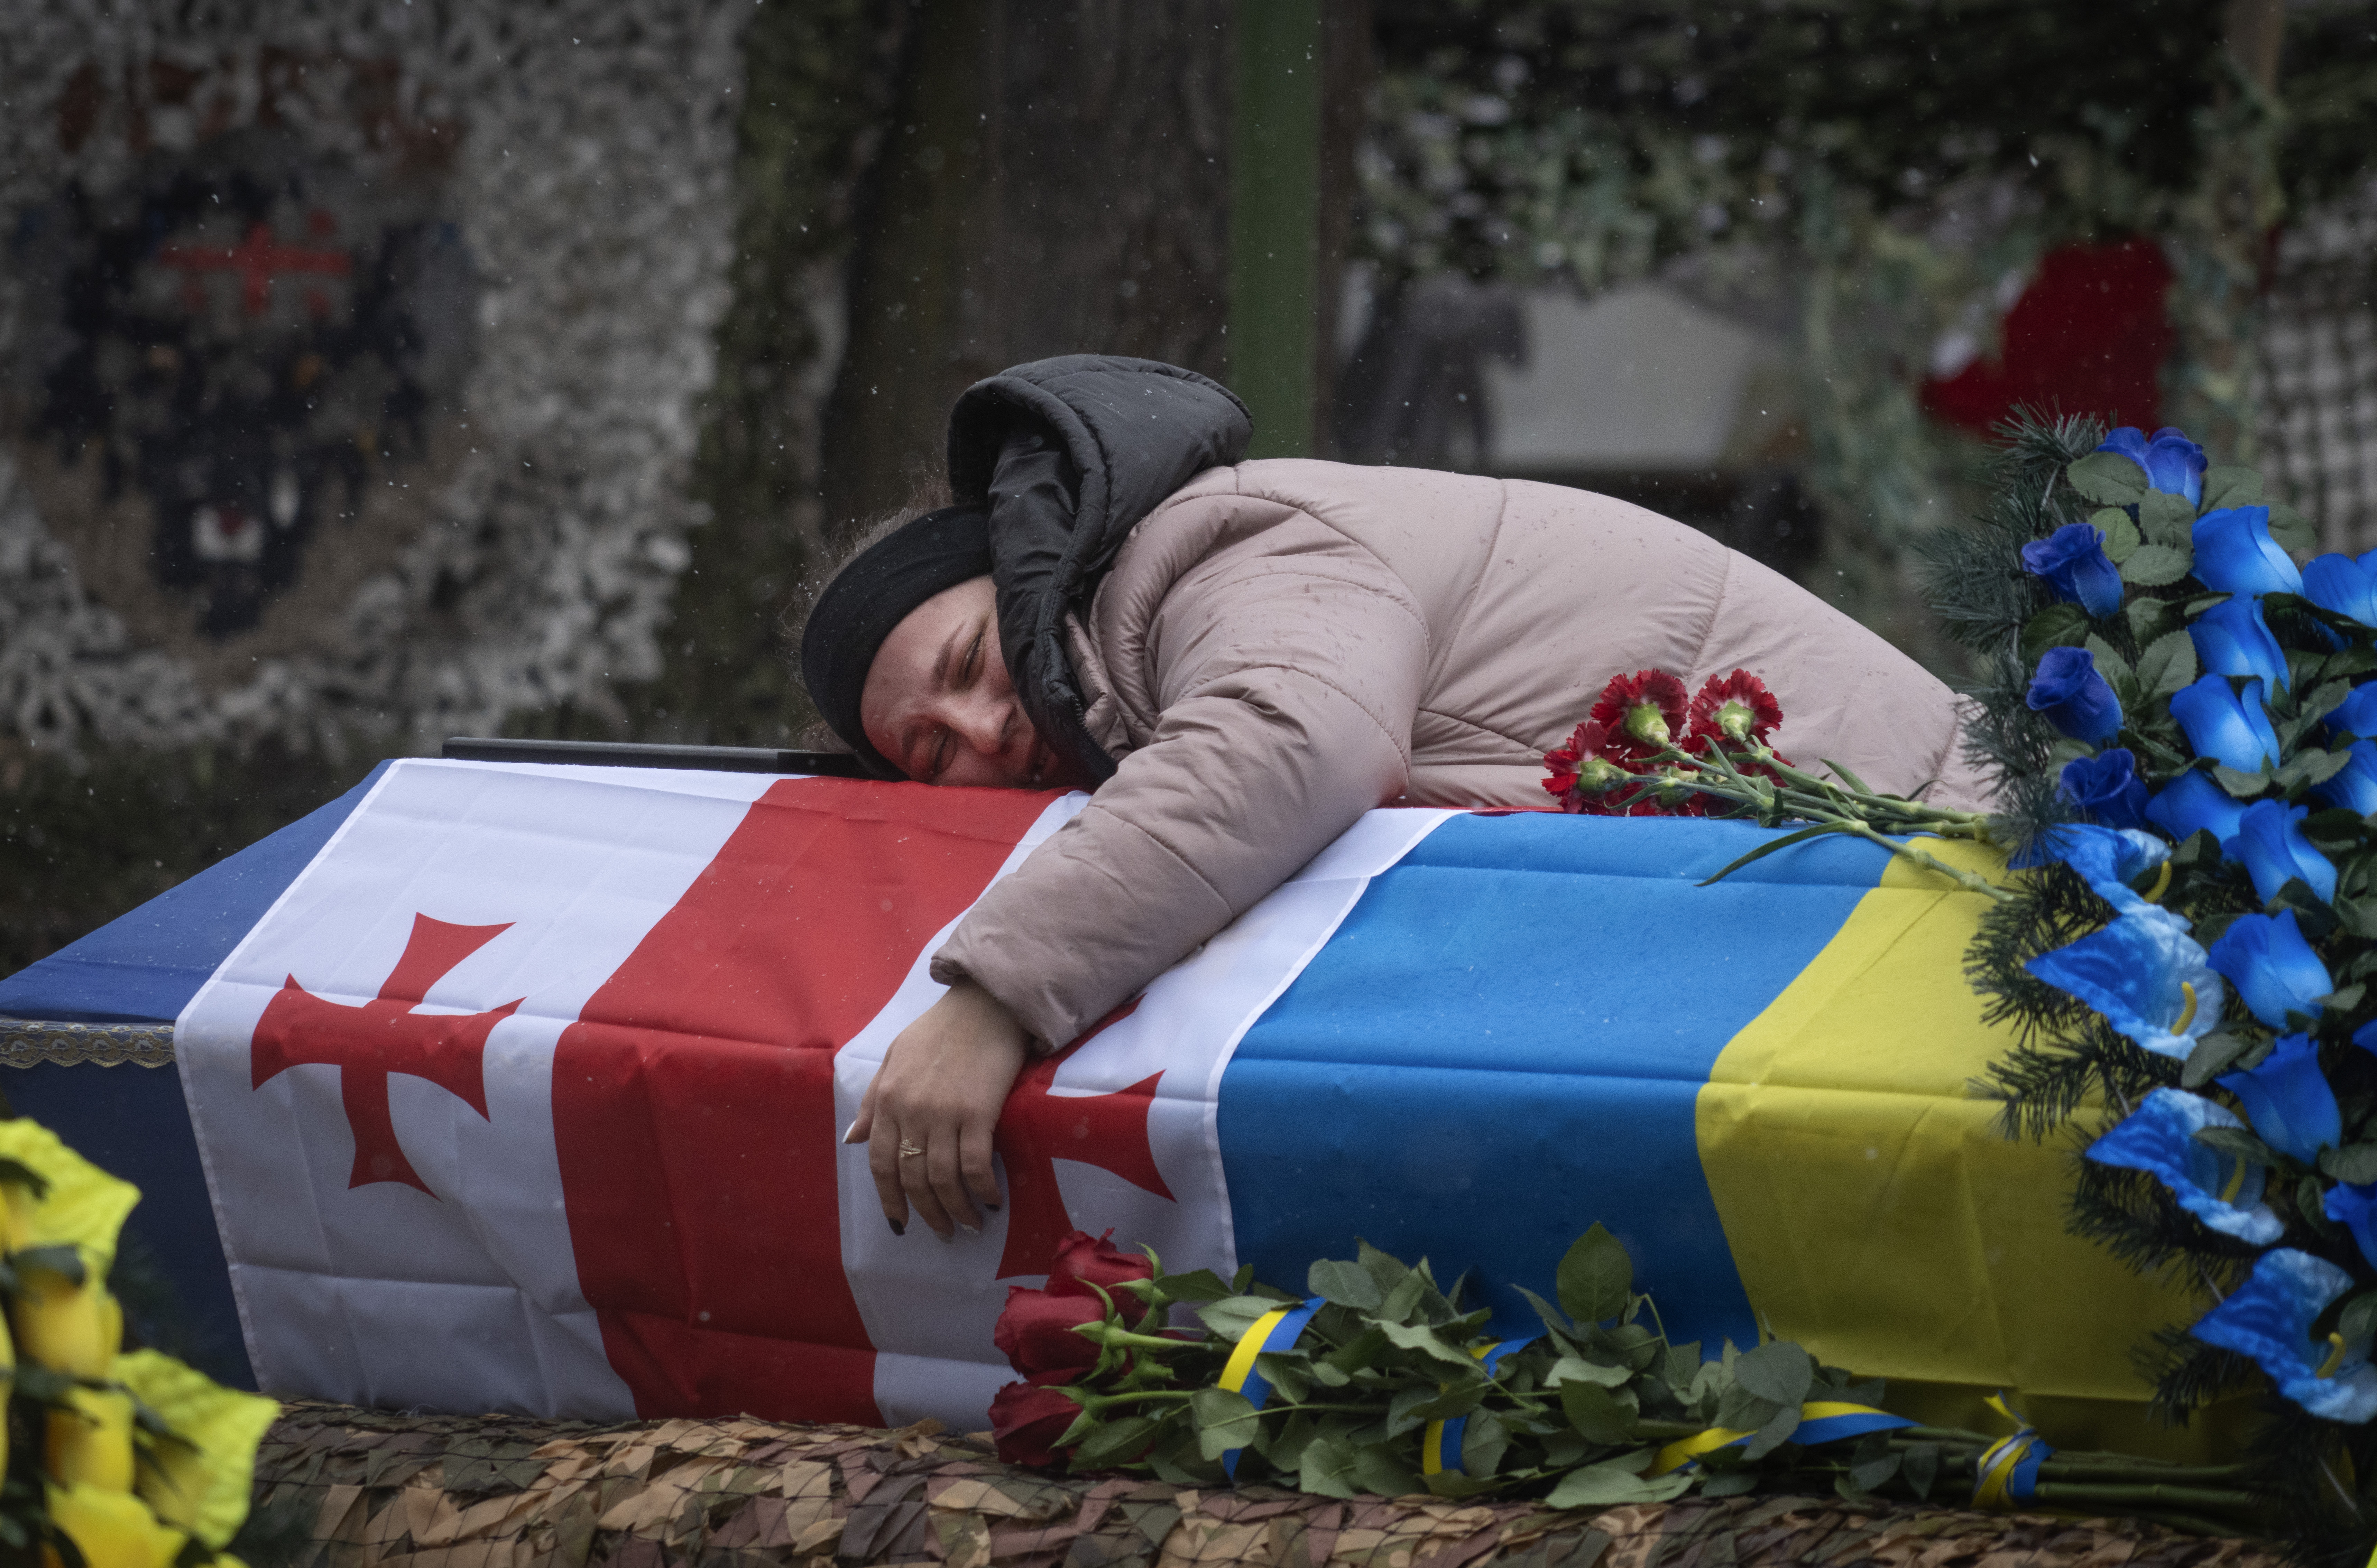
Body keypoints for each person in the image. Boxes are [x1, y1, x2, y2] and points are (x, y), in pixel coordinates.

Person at [800, 355, 1990, 1244]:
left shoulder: (1222, 549)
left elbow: (1286, 745)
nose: (982, 732)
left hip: (1961, 879)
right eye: (927, 751)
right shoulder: (1134, 661)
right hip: (1851, 925)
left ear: (1017, 579)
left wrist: (990, 1002)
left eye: (966, 667)